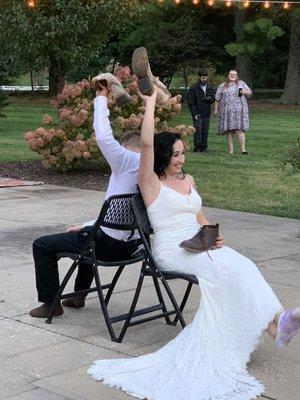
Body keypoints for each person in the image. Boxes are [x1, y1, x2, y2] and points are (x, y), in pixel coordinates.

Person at [88, 87, 300, 400]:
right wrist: (149, 104)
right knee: (225, 272)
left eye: (183, 153)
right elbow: (146, 143)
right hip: (172, 249)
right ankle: (273, 326)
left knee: (242, 264)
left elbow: (199, 216)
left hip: (198, 243)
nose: (181, 159)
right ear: (162, 157)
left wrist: (213, 233)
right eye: (175, 154)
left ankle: (277, 325)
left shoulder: (188, 180)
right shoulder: (150, 182)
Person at [29, 78, 141, 318]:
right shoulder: (152, 170)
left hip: (108, 248)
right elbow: (115, 217)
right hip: (133, 247)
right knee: (87, 234)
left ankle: (51, 304)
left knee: (42, 245)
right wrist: (87, 225)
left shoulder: (125, 161)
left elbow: (103, 136)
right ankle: (79, 295)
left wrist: (101, 98)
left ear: (124, 148)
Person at [214, 69, 252, 154]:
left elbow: (250, 93)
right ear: (228, 75)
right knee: (229, 130)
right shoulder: (222, 86)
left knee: (239, 129)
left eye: (234, 74)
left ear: (237, 76)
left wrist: (245, 92)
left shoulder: (241, 84)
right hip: (226, 111)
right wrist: (216, 109)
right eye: (231, 74)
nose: (232, 76)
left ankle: (243, 149)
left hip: (240, 111)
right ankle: (231, 150)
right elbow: (217, 99)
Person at [187, 68, 215, 152]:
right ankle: (197, 147)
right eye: (203, 77)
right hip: (197, 112)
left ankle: (204, 147)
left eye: (206, 77)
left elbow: (213, 98)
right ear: (199, 77)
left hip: (206, 112)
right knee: (198, 129)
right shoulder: (193, 88)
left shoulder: (209, 86)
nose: (204, 79)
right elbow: (190, 102)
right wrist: (194, 113)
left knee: (205, 130)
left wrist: (209, 98)